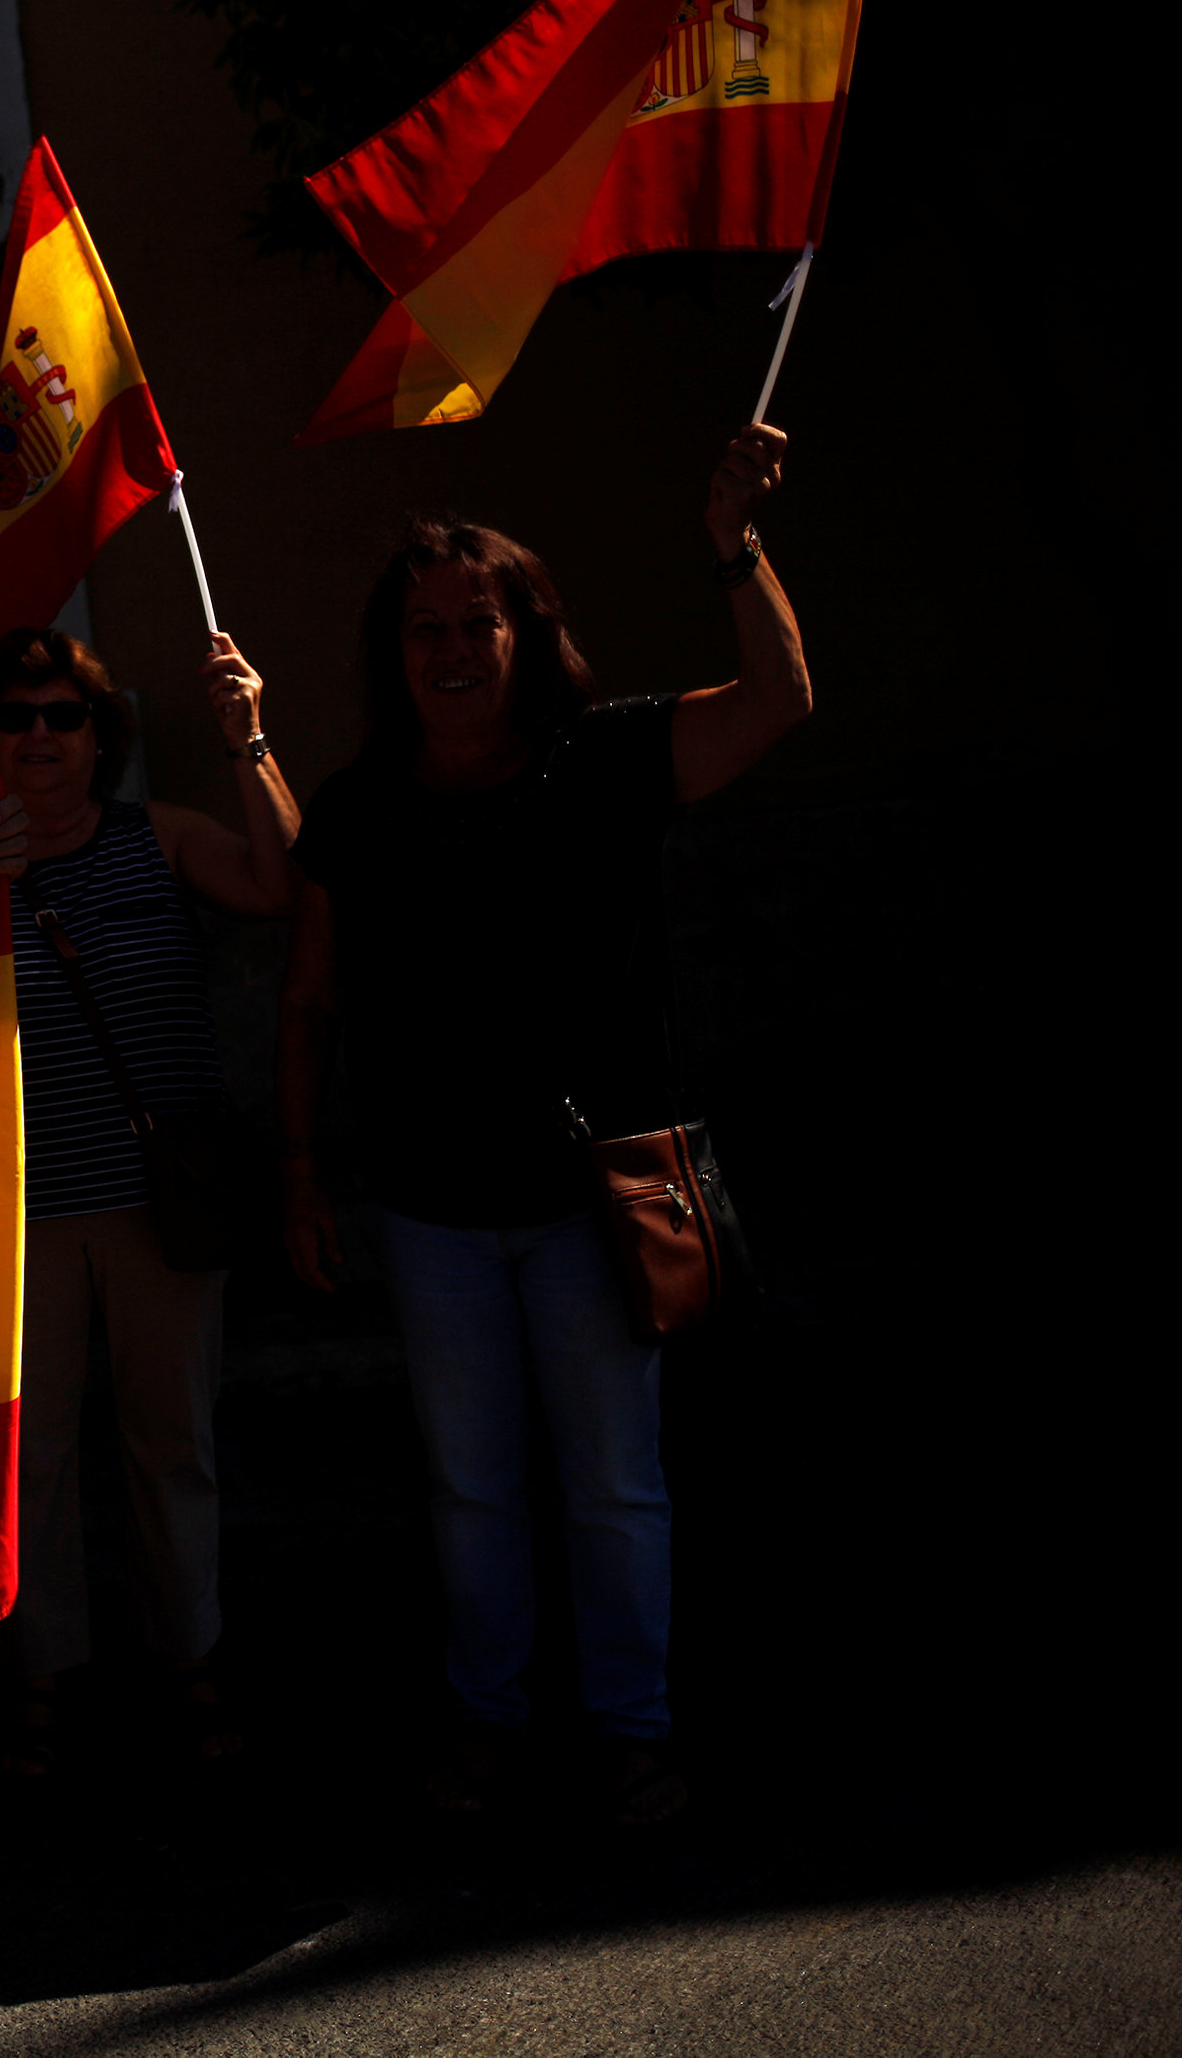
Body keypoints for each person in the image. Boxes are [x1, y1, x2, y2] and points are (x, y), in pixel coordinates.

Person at [278, 424, 812, 1828]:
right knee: (472, 1489)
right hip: (433, 1206)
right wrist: (299, 1170)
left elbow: (779, 694)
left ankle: (633, 1734)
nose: (451, 648)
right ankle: (491, 1728)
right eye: (425, 629)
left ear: (527, 629)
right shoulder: (356, 809)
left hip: (589, 1197)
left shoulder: (612, 757)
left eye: (477, 621)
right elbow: (312, 1002)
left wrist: (735, 545)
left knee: (615, 1484)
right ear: (392, 655)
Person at [0, 625, 299, 1777]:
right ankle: (41, 1670)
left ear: (100, 737)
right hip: (20, 1214)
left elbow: (280, 884)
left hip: (165, 1202)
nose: (42, 734)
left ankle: (186, 1655)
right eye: (17, 717)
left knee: (171, 1440)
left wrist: (247, 740)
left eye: (65, 715)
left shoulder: (156, 840)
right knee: (35, 1451)